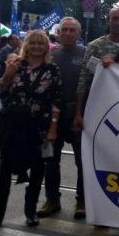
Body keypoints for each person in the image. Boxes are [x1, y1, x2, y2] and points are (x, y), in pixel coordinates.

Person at [0, 30, 62, 233]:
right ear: (27, 44)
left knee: (37, 171)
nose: (36, 46)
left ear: (46, 46)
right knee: (3, 172)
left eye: (41, 43)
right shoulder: (15, 65)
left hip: (38, 127)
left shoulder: (52, 70)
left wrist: (53, 129)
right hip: (13, 127)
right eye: (33, 42)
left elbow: (56, 101)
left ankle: (30, 211)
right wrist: (8, 75)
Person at [37, 18, 87, 220]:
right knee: (50, 160)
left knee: (82, 161)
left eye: (71, 30)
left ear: (78, 34)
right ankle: (52, 200)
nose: (67, 33)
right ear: (58, 33)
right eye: (64, 30)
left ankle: (82, 200)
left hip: (78, 115)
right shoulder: (50, 55)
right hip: (52, 117)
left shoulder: (86, 54)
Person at [75, 7, 119, 131]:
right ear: (108, 20)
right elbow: (83, 80)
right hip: (100, 106)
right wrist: (78, 113)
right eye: (115, 18)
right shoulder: (94, 46)